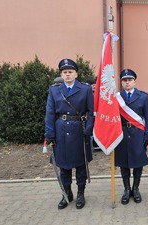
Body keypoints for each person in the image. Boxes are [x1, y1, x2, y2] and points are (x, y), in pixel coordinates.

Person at [44, 58, 94, 209]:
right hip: (60, 131)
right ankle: (66, 194)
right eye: (64, 72)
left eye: (70, 72)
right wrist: (50, 133)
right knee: (64, 166)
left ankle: (80, 193)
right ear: (61, 74)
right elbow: (50, 113)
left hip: (79, 130)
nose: (67, 75)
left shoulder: (85, 89)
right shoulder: (54, 90)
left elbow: (91, 112)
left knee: (80, 165)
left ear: (76, 74)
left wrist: (88, 130)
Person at [115, 69, 148, 205]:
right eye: (125, 80)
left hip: (138, 133)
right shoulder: (116, 97)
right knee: (123, 163)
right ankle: (126, 189)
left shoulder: (143, 96)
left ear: (134, 82)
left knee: (138, 163)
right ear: (121, 82)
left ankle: (136, 189)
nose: (127, 82)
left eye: (130, 80)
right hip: (122, 134)